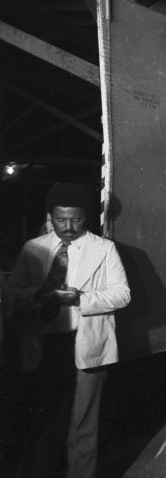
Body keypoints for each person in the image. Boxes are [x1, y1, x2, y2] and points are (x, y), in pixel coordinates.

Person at [4, 183, 131, 477]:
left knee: (83, 424)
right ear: (51, 216)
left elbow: (122, 294)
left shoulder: (105, 249)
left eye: (76, 219)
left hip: (85, 343)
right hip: (43, 345)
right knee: (45, 421)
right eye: (62, 220)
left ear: (87, 217)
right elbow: (12, 294)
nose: (69, 227)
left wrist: (81, 298)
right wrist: (40, 295)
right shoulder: (33, 248)